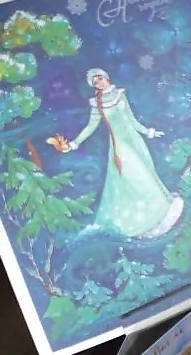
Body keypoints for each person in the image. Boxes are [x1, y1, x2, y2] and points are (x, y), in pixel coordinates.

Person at [58, 68, 184, 239]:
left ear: (106, 77)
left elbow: (132, 120)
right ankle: (146, 221)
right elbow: (90, 127)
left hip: (135, 142)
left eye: (100, 78)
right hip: (120, 148)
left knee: (149, 175)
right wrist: (74, 143)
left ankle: (158, 215)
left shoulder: (120, 95)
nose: (99, 83)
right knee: (140, 179)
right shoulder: (97, 104)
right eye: (95, 82)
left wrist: (148, 132)